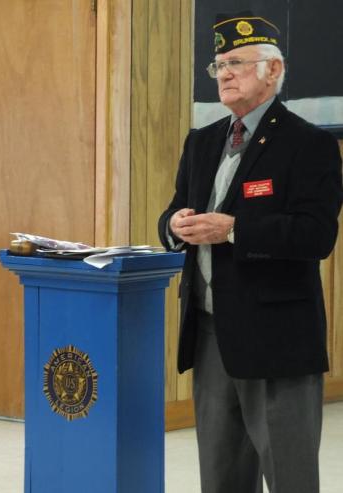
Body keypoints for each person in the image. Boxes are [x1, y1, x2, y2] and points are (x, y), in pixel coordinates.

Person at [158, 11, 343, 493]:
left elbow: (316, 235)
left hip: (277, 341)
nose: (224, 73)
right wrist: (173, 226)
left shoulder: (309, 144)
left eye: (236, 63)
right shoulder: (202, 142)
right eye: (218, 65)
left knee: (289, 476)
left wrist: (236, 229)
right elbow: (176, 210)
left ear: (273, 70)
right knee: (220, 478)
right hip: (211, 336)